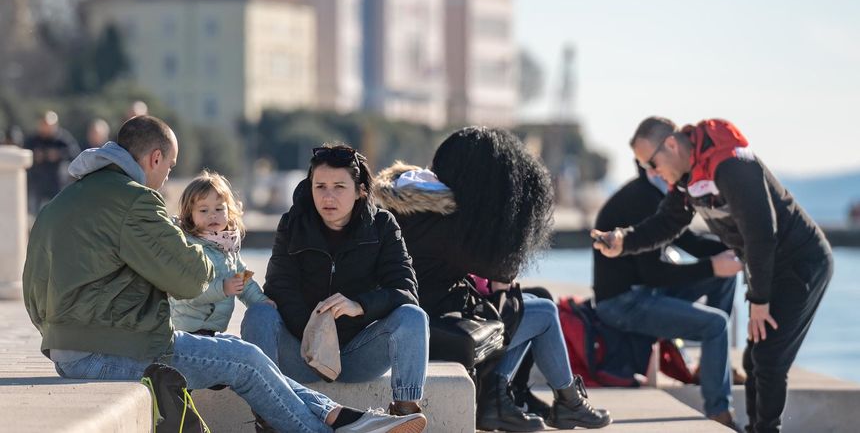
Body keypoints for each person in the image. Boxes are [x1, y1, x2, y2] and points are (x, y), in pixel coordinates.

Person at [22, 115, 423, 433]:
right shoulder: (135, 201)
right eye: (171, 167)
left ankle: (339, 415)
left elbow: (32, 293)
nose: (165, 180)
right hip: (114, 350)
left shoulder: (64, 200)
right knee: (244, 361)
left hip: (70, 349)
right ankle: (327, 429)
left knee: (244, 354)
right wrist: (196, 250)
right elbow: (189, 278)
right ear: (156, 159)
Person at [592, 117, 833, 433]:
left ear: (672, 145)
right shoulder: (688, 179)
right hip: (770, 266)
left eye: (651, 163)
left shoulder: (731, 166)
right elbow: (667, 224)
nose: (650, 172)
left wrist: (759, 300)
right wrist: (624, 241)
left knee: (770, 359)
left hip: (801, 264)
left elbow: (761, 233)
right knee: (754, 361)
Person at [375, 127, 611, 432]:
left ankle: (520, 398)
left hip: (424, 312)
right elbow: (499, 271)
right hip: (435, 322)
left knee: (533, 301)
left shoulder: (413, 204)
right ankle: (557, 402)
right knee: (542, 312)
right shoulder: (440, 221)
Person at [242, 145, 429, 429]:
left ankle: (403, 416)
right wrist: (316, 331)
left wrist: (360, 306)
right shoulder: (292, 224)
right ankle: (268, 420)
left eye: (339, 186)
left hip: (357, 355)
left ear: (360, 191)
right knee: (258, 314)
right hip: (302, 350)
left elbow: (405, 290)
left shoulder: (382, 226)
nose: (328, 196)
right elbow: (279, 288)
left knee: (413, 317)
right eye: (320, 186)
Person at [593, 160, 744, 428]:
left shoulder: (656, 194)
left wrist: (737, 249)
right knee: (715, 324)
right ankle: (719, 412)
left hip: (647, 293)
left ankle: (709, 367)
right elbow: (653, 273)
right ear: (654, 166)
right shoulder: (642, 199)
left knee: (724, 277)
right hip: (622, 304)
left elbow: (690, 242)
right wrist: (712, 266)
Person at [171, 170, 275, 336]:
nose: (212, 215)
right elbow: (187, 290)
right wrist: (223, 288)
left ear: (229, 210)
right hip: (186, 329)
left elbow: (243, 281)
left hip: (210, 329)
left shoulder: (228, 245)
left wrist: (261, 302)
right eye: (203, 210)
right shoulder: (189, 247)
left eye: (219, 209)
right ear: (190, 215)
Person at [24, 110, 80, 214]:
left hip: (57, 182)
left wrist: (58, 154)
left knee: (59, 212)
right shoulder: (33, 140)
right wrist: (35, 156)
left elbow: (74, 154)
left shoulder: (62, 138)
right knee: (36, 214)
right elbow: (24, 152)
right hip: (38, 182)